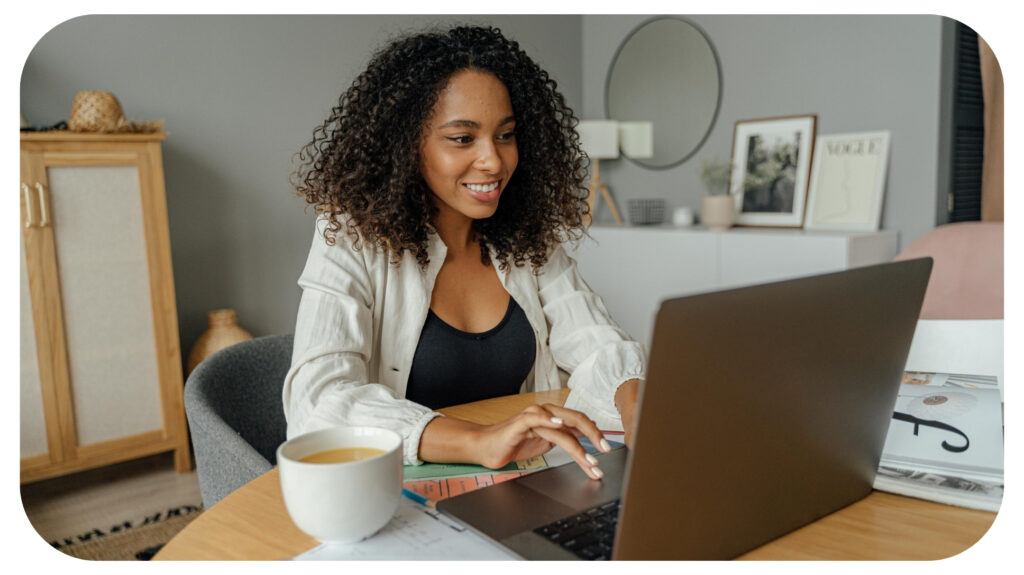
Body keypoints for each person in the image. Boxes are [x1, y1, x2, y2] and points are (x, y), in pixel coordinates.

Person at [284, 25, 645, 481]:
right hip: (397, 492)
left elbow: (596, 341)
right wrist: (478, 441)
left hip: (523, 479)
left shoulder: (526, 236)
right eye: (462, 138)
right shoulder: (353, 236)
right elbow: (318, 400)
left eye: (506, 135)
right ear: (407, 145)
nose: (493, 161)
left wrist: (637, 409)